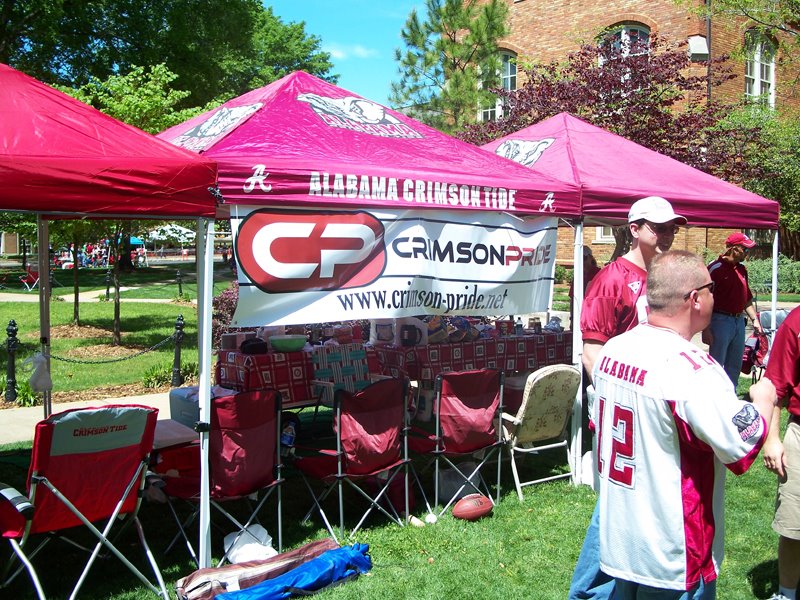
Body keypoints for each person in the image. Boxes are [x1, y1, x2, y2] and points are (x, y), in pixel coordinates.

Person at [594, 250, 778, 597]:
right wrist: (764, 398)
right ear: (695, 299)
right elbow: (741, 444)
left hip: (622, 538)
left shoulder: (613, 350)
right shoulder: (693, 371)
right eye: (711, 289)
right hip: (673, 551)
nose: (714, 296)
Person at [569, 195, 687, 599]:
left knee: (647, 501)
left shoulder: (668, 278)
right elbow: (592, 350)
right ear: (634, 229)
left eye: (672, 227)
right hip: (623, 410)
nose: (668, 233)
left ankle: (630, 582)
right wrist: (617, 397)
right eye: (659, 227)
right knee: (618, 505)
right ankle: (592, 590)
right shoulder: (612, 280)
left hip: (660, 408)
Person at [762, 307, 800, 600]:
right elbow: (775, 384)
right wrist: (772, 438)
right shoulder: (797, 321)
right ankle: (786, 594)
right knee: (794, 526)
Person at [704, 232, 764, 385]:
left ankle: (731, 398)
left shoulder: (742, 270)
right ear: (734, 249)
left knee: (735, 365)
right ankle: (714, 398)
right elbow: (703, 300)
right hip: (720, 320)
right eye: (745, 249)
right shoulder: (714, 268)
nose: (747, 253)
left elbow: (746, 298)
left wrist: (755, 320)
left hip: (738, 321)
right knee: (717, 364)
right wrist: (706, 328)